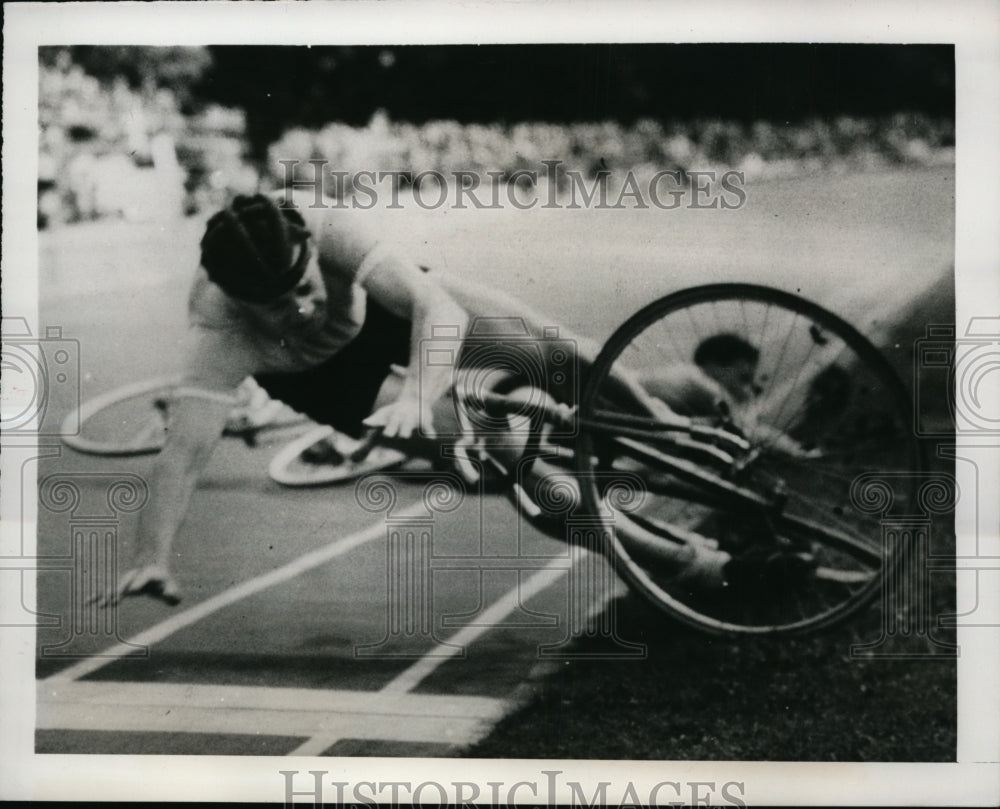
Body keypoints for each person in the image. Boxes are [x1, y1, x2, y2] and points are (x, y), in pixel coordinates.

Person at [103, 191, 720, 606]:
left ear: (313, 250)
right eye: (274, 306)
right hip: (327, 379)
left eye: (304, 285)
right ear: (238, 303)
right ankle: (676, 562)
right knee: (510, 455)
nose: (299, 308)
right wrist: (150, 556)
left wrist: (421, 392)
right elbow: (182, 454)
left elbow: (434, 306)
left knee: (563, 356)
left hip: (393, 313)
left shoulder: (329, 225)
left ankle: (691, 444)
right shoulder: (218, 333)